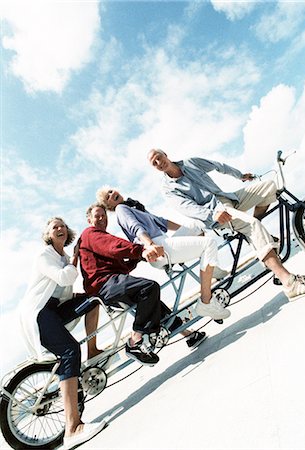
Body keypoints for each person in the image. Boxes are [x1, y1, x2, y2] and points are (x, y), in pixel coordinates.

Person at [147, 149, 305, 300]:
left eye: (158, 157)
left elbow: (218, 165)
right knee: (252, 225)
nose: (158, 163)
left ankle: (258, 241)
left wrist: (240, 175)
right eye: (154, 163)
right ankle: (289, 284)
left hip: (229, 198)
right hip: (216, 214)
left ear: (166, 155)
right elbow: (186, 208)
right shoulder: (168, 188)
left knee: (269, 187)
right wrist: (213, 214)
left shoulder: (190, 163)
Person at [78, 203, 209, 366]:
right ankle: (135, 341)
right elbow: (114, 246)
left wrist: (141, 257)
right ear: (89, 219)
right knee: (149, 288)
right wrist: (141, 250)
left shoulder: (97, 239)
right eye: (97, 215)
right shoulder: (91, 234)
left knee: (155, 304)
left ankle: (189, 335)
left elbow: (123, 265)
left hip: (110, 283)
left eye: (104, 215)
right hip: (105, 284)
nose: (101, 218)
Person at [19, 217, 105, 450]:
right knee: (69, 351)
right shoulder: (45, 256)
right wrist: (75, 260)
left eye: (63, 226)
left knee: (92, 301)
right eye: (54, 226)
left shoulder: (63, 258)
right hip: (39, 314)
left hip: (54, 310)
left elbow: (64, 292)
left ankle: (93, 350)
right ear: (47, 233)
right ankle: (72, 428)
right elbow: (65, 277)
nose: (60, 228)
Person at [96, 187, 231, 320]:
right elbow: (135, 227)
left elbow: (162, 222)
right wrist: (150, 244)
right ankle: (206, 301)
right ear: (109, 206)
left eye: (110, 191)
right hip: (157, 247)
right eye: (107, 197)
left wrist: (187, 232)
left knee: (196, 226)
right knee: (209, 244)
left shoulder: (133, 207)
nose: (111, 194)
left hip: (164, 242)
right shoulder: (121, 209)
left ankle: (210, 270)